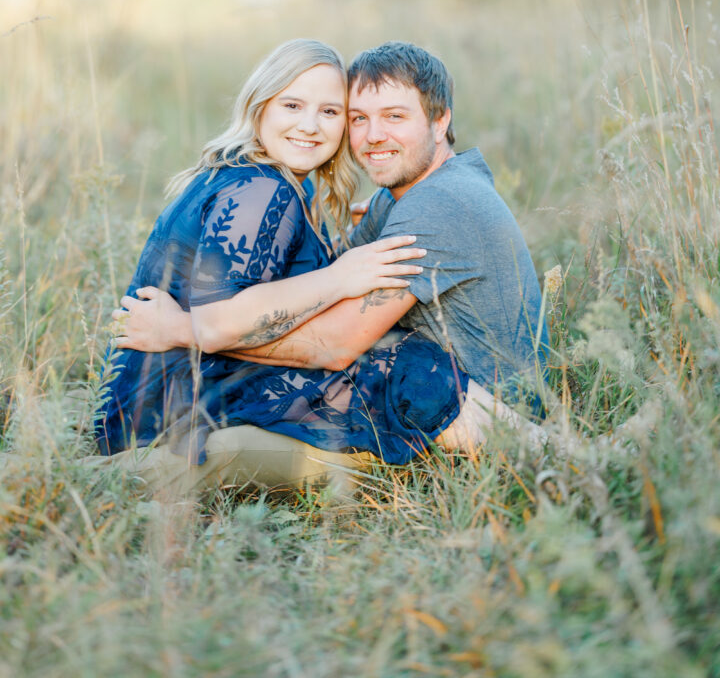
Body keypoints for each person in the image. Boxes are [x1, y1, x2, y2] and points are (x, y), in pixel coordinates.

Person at [114, 42, 549, 489]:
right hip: (404, 406)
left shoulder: (438, 203)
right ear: (259, 107)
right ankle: (103, 473)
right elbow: (331, 278)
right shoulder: (393, 196)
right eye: (360, 117)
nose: (373, 135)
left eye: (394, 117)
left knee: (233, 450)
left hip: (480, 421)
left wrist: (183, 330)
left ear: (441, 122)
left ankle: (559, 461)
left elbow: (335, 342)